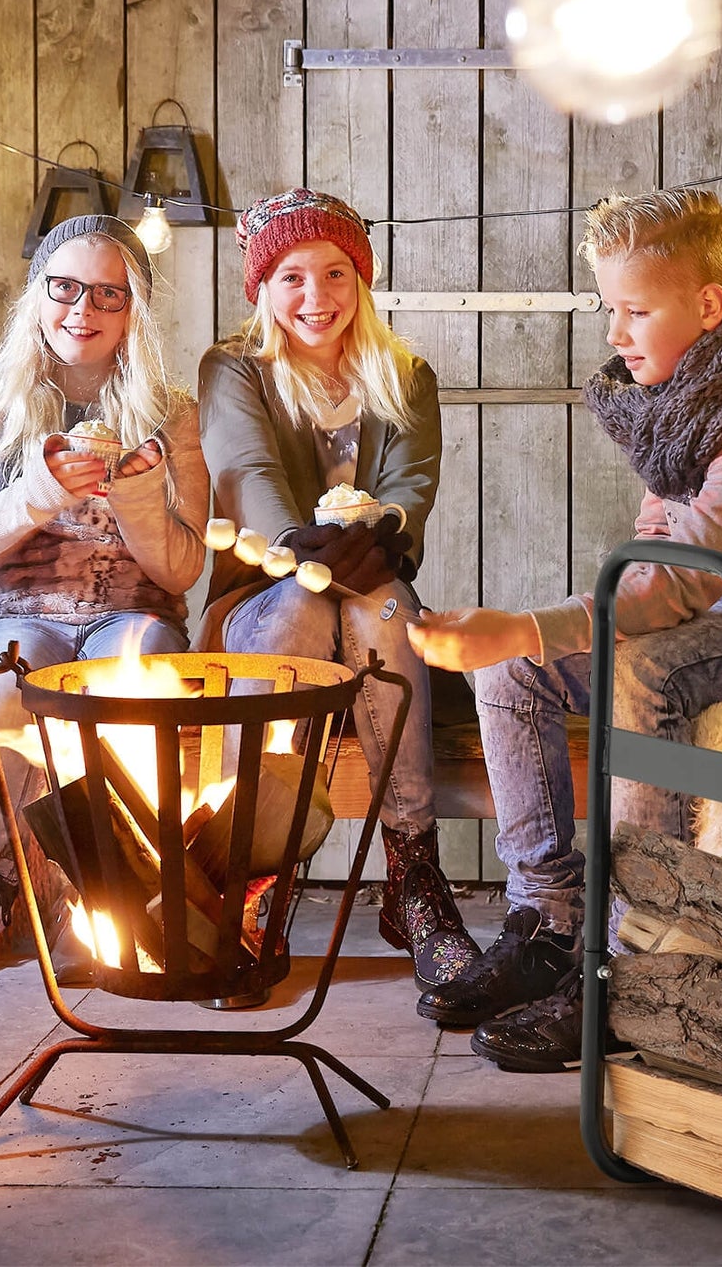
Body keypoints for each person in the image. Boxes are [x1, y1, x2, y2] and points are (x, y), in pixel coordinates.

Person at [408, 186, 722, 1071]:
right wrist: (525, 642)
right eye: (610, 308)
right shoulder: (686, 403)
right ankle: (550, 922)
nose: (615, 332)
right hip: (721, 614)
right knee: (513, 673)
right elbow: (653, 557)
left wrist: (523, 623)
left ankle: (634, 967)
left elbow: (685, 576)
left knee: (645, 674)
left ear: (707, 305)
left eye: (635, 311)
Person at [197, 188, 480, 991]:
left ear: (360, 279)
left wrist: (382, 533)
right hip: (262, 598)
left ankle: (413, 875)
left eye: (333, 273)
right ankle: (255, 872)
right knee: (301, 602)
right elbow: (245, 468)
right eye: (291, 276)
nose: (315, 296)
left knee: (382, 605)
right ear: (264, 287)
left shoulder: (405, 375)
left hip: (371, 596)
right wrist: (297, 547)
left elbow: (411, 484)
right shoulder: (234, 368)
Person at [0, 215, 208, 978]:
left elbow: (182, 569)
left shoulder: (170, 409)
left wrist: (139, 497)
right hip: (20, 613)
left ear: (135, 309)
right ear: (37, 295)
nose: (84, 309)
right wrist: (38, 492)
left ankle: (113, 890)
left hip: (132, 612)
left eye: (109, 293)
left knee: (133, 678)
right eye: (66, 287)